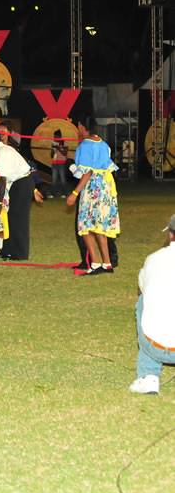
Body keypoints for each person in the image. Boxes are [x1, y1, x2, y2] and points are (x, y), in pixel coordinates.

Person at [66, 117, 120, 275]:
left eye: (78, 126)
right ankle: (107, 264)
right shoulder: (104, 145)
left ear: (83, 126)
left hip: (91, 188)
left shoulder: (85, 145)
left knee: (86, 227)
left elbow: (87, 172)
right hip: (105, 188)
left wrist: (74, 193)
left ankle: (95, 263)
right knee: (99, 227)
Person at [129, 215, 175, 395]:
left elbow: (142, 288)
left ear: (171, 235)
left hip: (154, 346)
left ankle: (149, 376)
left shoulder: (153, 259)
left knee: (143, 300)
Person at [0, 125, 43, 261]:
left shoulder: (1, 153)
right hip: (21, 183)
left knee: (19, 220)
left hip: (22, 183)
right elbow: (1, 181)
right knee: (11, 218)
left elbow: (2, 180)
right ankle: (7, 251)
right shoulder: (6, 149)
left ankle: (21, 253)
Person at [50, 129, 69, 198]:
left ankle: (64, 194)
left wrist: (58, 148)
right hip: (54, 162)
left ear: (60, 136)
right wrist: (53, 149)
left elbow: (65, 153)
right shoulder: (53, 143)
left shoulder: (64, 143)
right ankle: (53, 194)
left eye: (56, 136)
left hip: (62, 163)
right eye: (54, 137)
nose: (55, 138)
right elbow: (51, 155)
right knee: (54, 179)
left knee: (62, 179)